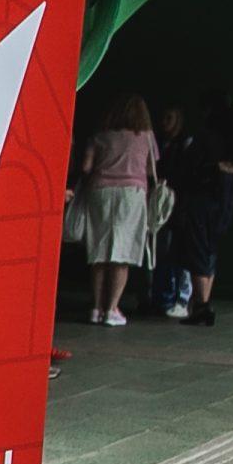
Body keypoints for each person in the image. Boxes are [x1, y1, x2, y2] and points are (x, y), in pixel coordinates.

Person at [76, 93, 158, 327]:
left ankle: (96, 308)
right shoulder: (146, 137)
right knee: (122, 252)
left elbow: (86, 167)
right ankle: (112, 309)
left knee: (99, 252)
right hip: (131, 194)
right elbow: (151, 170)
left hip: (99, 192)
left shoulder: (100, 135)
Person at [175, 90, 233, 327]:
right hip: (224, 199)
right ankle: (203, 302)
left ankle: (201, 305)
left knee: (198, 250)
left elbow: (190, 167)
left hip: (202, 201)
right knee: (211, 250)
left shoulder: (206, 137)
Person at [149, 102, 195, 318]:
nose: (164, 122)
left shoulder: (186, 145)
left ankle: (182, 298)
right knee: (162, 253)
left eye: (169, 118)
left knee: (181, 254)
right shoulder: (160, 144)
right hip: (162, 206)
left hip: (179, 206)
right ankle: (163, 296)